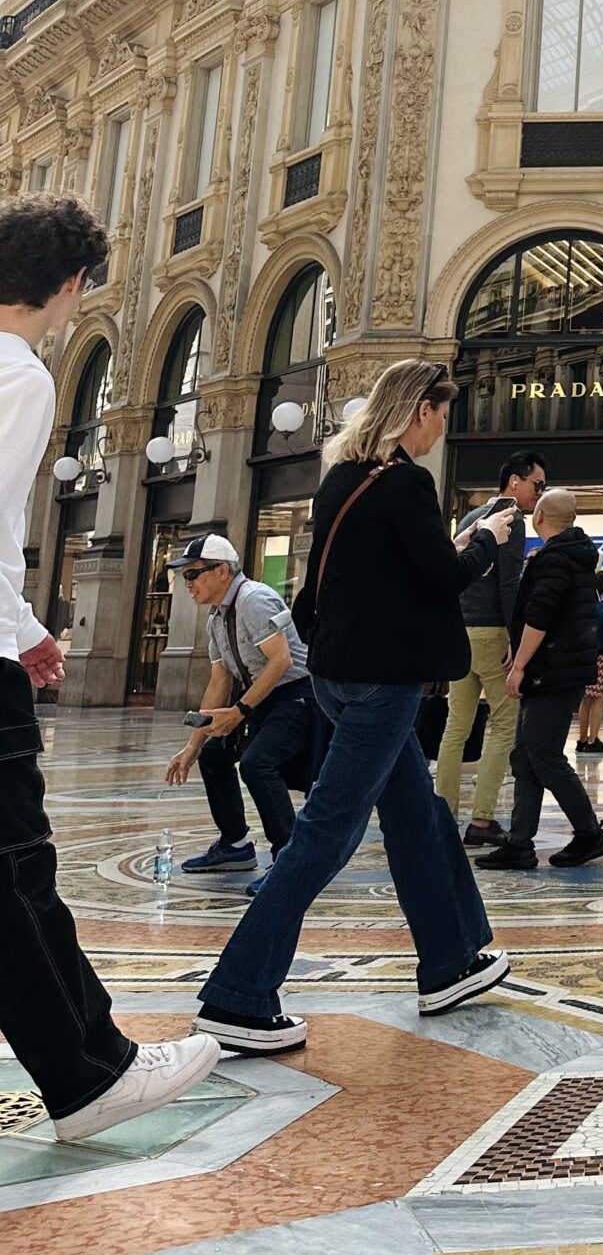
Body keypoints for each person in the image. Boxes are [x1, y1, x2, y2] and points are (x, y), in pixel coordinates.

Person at [195, 361, 518, 1053]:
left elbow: (387, 569)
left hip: (339, 677)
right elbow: (442, 578)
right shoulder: (407, 482)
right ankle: (238, 996)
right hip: (382, 684)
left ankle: (450, 961)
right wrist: (487, 541)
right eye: (438, 414)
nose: (440, 429)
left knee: (418, 814)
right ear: (417, 413)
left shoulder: (343, 476)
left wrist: (454, 543)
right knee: (326, 834)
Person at [0, 195, 222, 1141]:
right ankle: (92, 1075)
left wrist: (23, 624)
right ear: (72, 282)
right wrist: (12, 629)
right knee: (14, 873)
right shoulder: (20, 375)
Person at [165, 533, 318, 889]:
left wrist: (239, 711)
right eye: (184, 575)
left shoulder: (254, 599)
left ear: (222, 571)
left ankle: (290, 860)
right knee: (214, 755)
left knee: (256, 763)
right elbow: (219, 681)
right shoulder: (217, 617)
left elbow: (281, 661)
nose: (187, 583)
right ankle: (235, 846)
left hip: (296, 697)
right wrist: (193, 745)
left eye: (193, 574)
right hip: (259, 699)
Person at [476, 488, 603, 869]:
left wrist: (519, 665)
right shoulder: (572, 557)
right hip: (557, 670)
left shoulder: (556, 560)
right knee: (526, 755)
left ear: (538, 518)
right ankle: (520, 842)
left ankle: (589, 833)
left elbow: (540, 616)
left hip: (552, 672)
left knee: (544, 756)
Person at [435, 448, 546, 847]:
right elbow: (508, 584)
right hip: (492, 634)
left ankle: (443, 814)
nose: (539, 492)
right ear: (514, 481)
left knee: (456, 727)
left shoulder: (470, 517)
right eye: (537, 484)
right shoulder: (511, 519)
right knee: (502, 724)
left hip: (461, 633)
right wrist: (516, 639)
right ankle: (482, 820)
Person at [574, 568, 603, 755]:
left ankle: (582, 739)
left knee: (586, 700)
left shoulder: (588, 608)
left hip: (588, 657)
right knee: (599, 700)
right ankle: (594, 739)